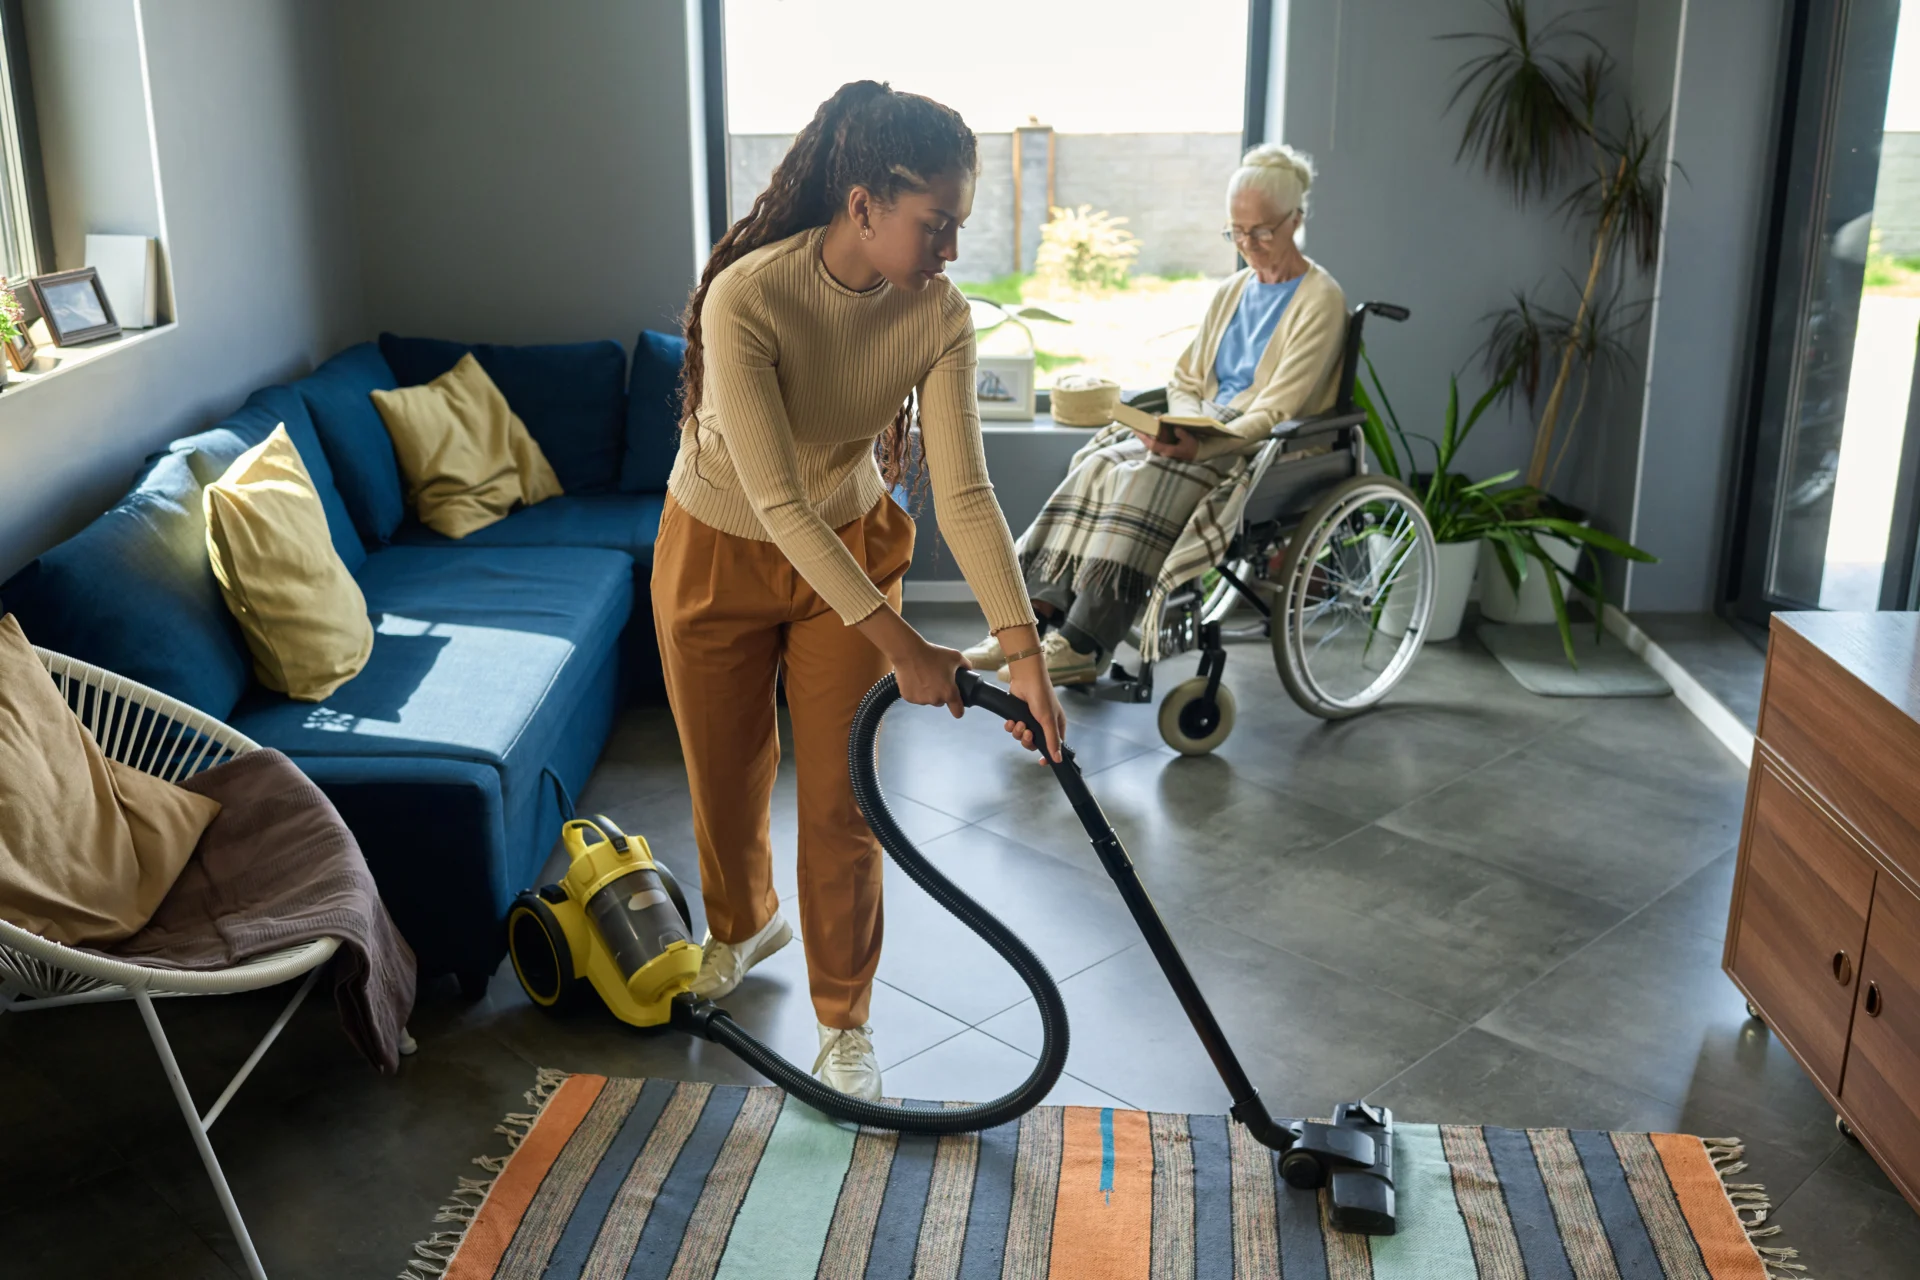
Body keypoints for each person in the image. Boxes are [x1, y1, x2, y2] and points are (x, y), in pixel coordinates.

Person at [656, 80, 1068, 1101]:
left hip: (848, 536)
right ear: (864, 205)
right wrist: (907, 645)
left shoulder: (940, 315)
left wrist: (1027, 659)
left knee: (841, 797)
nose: (953, 250)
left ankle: (846, 1018)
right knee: (726, 769)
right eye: (939, 224)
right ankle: (743, 925)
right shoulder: (749, 293)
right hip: (718, 541)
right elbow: (773, 496)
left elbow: (966, 492)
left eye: (959, 225)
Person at [963, 143, 1348, 684]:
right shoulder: (1233, 290)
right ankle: (1026, 627)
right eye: (1236, 231)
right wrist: (1181, 423)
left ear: (1296, 220)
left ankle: (1082, 641)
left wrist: (1206, 441)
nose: (1248, 245)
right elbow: (1186, 378)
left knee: (1149, 475)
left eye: (1262, 231)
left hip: (1256, 443)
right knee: (1098, 465)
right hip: (1203, 426)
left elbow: (1277, 406)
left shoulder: (1320, 300)